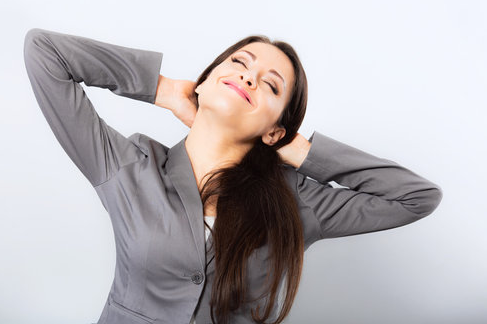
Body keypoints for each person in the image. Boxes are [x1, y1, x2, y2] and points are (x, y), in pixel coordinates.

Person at [23, 28, 443, 324]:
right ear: (205, 82)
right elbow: (44, 51)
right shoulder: (130, 164)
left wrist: (296, 148)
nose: (248, 76)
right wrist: (164, 89)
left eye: (271, 86)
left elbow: (416, 197)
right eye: (241, 62)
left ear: (275, 127)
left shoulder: (297, 201)